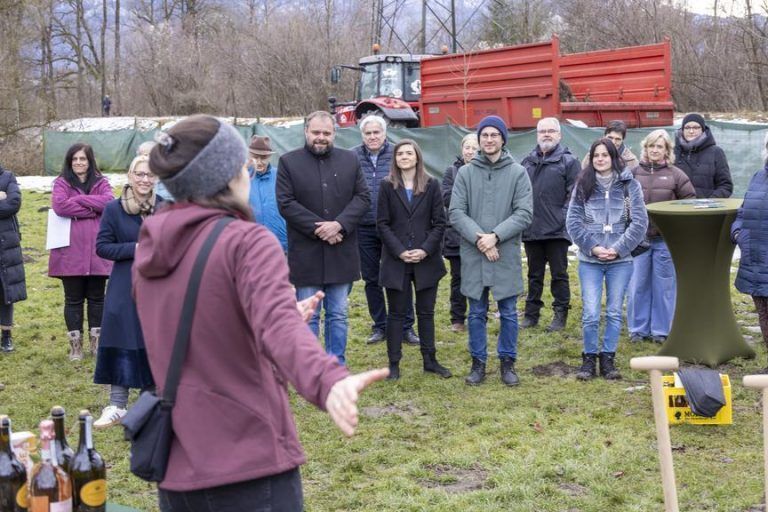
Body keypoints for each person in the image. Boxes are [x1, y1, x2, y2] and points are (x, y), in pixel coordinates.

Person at [134, 114, 387, 510]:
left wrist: (264, 319)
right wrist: (328, 380)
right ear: (229, 174)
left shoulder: (150, 249)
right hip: (249, 460)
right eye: (242, 163)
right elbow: (279, 329)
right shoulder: (247, 241)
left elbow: (199, 333)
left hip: (177, 467)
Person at [277, 111, 370, 364]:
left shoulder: (350, 160)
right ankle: (309, 366)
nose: (321, 137)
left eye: (326, 133)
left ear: (334, 134)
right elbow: (286, 203)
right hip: (306, 253)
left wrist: (339, 225)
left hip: (341, 251)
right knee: (309, 314)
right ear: (306, 132)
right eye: (316, 132)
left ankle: (335, 364)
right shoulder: (288, 162)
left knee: (338, 314)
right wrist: (322, 229)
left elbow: (362, 197)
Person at [449, 115, 533, 387]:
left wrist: (495, 236)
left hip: (504, 251)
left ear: (503, 139)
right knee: (476, 312)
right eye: (484, 135)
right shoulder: (465, 173)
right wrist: (481, 240)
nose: (489, 140)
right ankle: (478, 363)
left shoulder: (517, 173)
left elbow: (524, 213)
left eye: (494, 135)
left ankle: (508, 362)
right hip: (474, 253)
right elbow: (456, 212)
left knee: (508, 311)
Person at [566, 139, 648, 381]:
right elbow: (573, 221)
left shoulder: (630, 186)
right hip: (590, 261)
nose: (600, 159)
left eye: (605, 155)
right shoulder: (583, 185)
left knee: (614, 312)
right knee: (591, 313)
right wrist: (593, 247)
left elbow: (639, 222)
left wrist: (618, 249)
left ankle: (608, 358)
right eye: (596, 155)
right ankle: (589, 358)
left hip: (620, 261)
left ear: (614, 157)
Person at [92, 154, 161, 428]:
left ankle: (150, 403)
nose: (144, 179)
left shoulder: (165, 208)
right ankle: (117, 404)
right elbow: (102, 246)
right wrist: (135, 248)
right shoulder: (114, 209)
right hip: (124, 284)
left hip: (158, 285)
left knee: (153, 341)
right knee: (122, 337)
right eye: (139, 174)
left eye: (149, 174)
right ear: (130, 176)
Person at [377, 139, 450, 380]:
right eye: (400, 154)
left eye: (409, 153)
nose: (404, 157)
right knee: (396, 313)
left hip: (425, 261)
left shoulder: (431, 185)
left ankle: (430, 360)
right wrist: (399, 251)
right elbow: (382, 224)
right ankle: (393, 364)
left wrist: (425, 250)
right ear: (395, 159)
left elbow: (440, 223)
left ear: (417, 157)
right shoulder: (387, 186)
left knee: (426, 312)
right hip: (396, 260)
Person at [354, 115, 419, 345]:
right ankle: (380, 325)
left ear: (384, 133)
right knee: (371, 279)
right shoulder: (352, 157)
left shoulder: (397, 154)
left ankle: (406, 326)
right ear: (362, 135)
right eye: (368, 133)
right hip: (363, 227)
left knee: (401, 276)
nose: (373, 137)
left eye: (376, 132)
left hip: (393, 228)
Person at [627, 129, 696, 344]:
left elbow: (690, 202)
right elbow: (620, 201)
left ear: (667, 150)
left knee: (664, 286)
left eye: (659, 146)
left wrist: (677, 228)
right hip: (638, 240)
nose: (655, 150)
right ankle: (638, 330)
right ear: (645, 148)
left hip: (664, 240)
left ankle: (661, 330)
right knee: (637, 285)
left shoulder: (676, 175)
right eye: (651, 146)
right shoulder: (633, 173)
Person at [48, 143, 114, 361]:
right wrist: (92, 210)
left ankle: (96, 344)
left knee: (97, 298)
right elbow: (60, 206)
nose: (78, 162)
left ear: (90, 160)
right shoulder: (61, 182)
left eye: (82, 159)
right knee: (73, 299)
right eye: (75, 159)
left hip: (97, 250)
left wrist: (77, 200)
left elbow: (108, 202)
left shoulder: (102, 182)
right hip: (70, 251)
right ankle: (75, 346)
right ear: (69, 161)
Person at [520, 117, 580, 331]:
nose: (546, 134)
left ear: (559, 135)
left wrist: (561, 218)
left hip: (557, 231)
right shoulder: (527, 162)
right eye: (542, 131)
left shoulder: (569, 162)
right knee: (534, 275)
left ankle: (560, 314)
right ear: (537, 135)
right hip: (532, 228)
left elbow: (574, 195)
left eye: (551, 131)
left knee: (559, 275)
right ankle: (531, 315)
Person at [732, 133, 768, 370]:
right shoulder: (758, 176)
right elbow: (743, 212)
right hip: (755, 258)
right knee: (764, 313)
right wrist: (738, 234)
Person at [442, 133, 477, 333]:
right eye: (467, 147)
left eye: (474, 148)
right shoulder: (452, 171)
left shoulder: (486, 171)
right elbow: (446, 197)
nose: (470, 151)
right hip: (456, 234)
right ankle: (457, 318)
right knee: (458, 279)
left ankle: (478, 315)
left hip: (480, 234)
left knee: (479, 277)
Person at [674, 113, 733, 198]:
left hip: (708, 205)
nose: (691, 131)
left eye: (696, 127)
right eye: (687, 128)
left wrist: (710, 202)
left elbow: (725, 186)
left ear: (703, 130)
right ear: (682, 130)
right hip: (678, 206)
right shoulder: (673, 153)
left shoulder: (716, 152)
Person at [0, 163, 26, 353]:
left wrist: (6, 199)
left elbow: (13, 204)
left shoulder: (8, 177)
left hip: (5, 243)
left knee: (4, 291)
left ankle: (6, 335)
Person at [246, 135, 287, 251]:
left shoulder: (280, 176)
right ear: (249, 155)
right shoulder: (241, 177)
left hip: (280, 244)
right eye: (255, 157)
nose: (259, 162)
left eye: (263, 158)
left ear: (269, 157)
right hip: (250, 244)